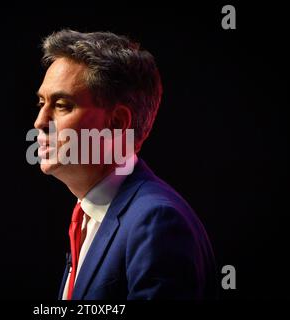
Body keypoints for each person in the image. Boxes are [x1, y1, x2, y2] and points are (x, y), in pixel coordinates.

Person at [33, 29, 217, 300]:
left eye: (61, 105)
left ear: (117, 123)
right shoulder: (90, 214)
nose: (40, 121)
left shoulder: (156, 222)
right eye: (41, 102)